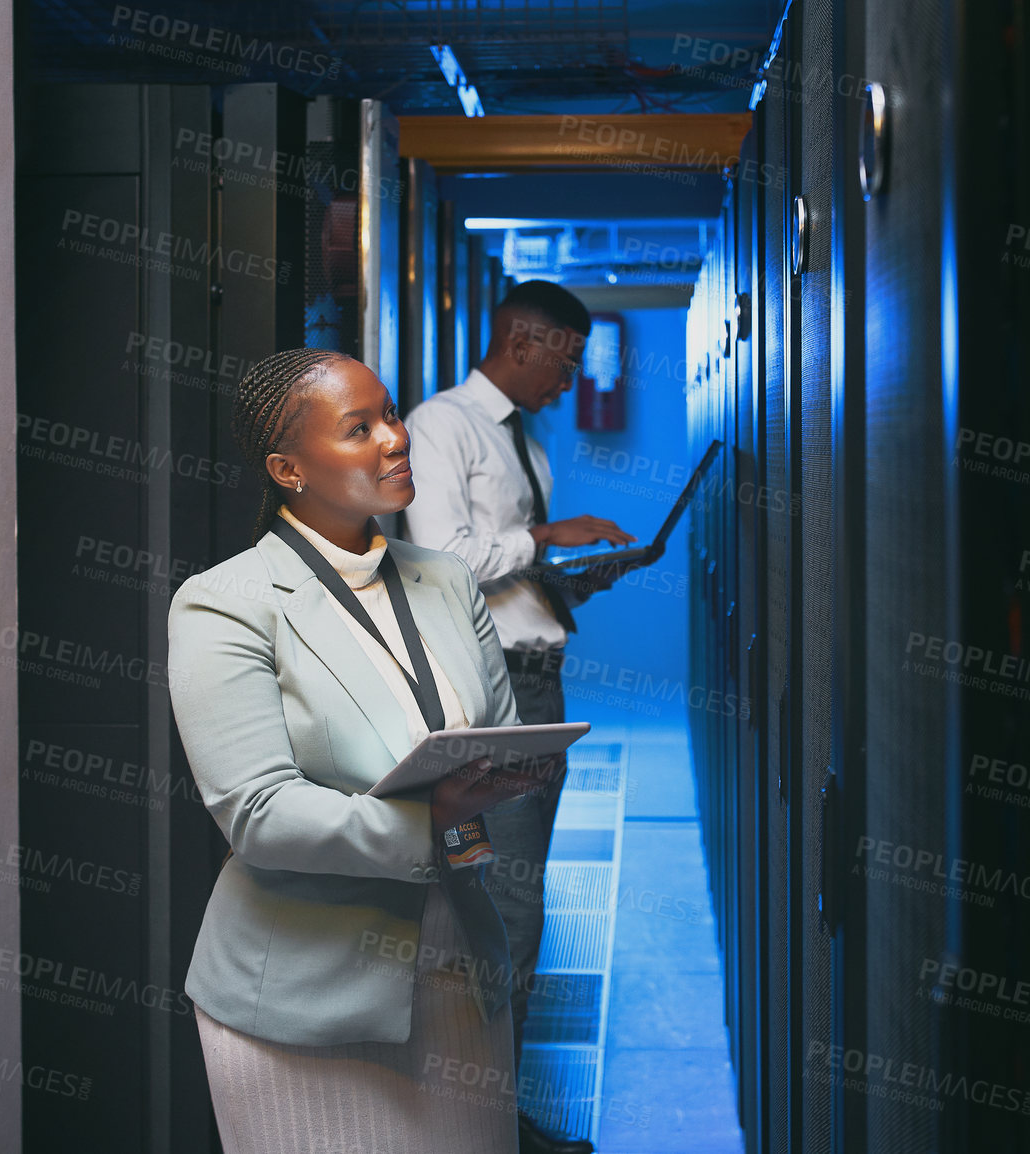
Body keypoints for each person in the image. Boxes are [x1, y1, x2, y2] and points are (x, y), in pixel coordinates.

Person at [168, 347, 547, 1154]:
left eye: (392, 414)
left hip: (459, 974)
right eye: (359, 428)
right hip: (301, 1000)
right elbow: (258, 813)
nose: (395, 439)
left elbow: (497, 729)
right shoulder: (225, 604)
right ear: (288, 467)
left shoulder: (446, 579)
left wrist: (513, 771)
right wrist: (429, 818)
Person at [401, 280, 657, 1154]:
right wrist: (546, 542)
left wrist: (567, 578)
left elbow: (502, 574)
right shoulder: (444, 426)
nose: (573, 379)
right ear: (524, 341)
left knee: (520, 896)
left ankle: (491, 1112)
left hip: (534, 677)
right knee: (506, 900)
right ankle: (483, 1126)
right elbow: (442, 562)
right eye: (568, 360)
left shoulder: (525, 443)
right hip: (491, 686)